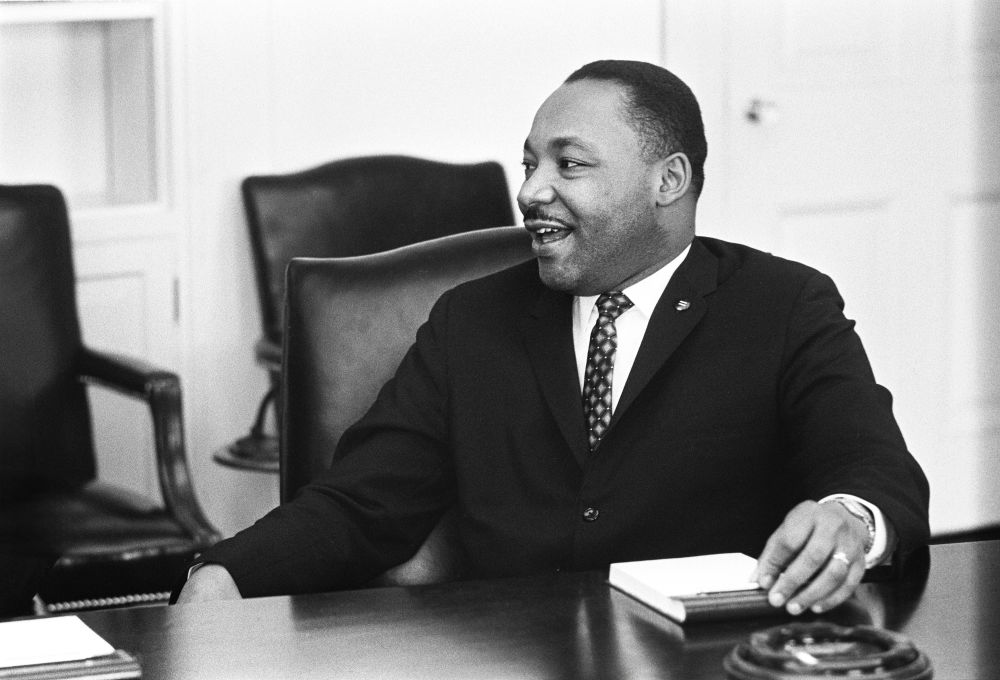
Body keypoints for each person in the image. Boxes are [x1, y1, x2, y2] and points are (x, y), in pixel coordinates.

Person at [178, 60, 929, 616]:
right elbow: (361, 505)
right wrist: (224, 573)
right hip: (511, 655)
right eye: (530, 162)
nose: (532, 190)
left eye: (569, 164)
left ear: (668, 181)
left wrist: (850, 519)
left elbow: (871, 469)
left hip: (707, 658)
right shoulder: (470, 321)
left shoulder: (784, 305)